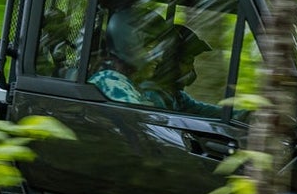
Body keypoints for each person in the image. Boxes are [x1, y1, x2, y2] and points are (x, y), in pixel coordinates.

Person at [91, 6, 220, 117]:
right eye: (150, 48)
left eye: (160, 50)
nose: (159, 58)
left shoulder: (130, 85)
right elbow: (143, 126)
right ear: (128, 47)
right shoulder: (111, 82)